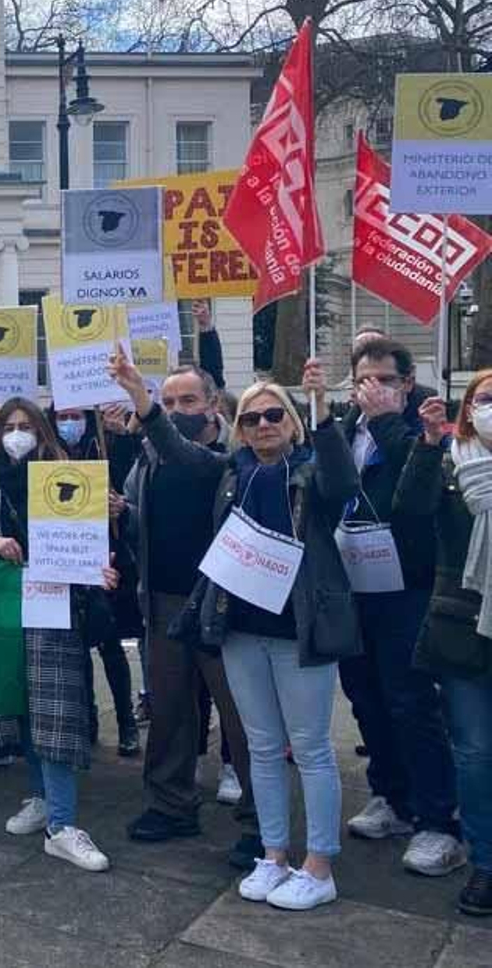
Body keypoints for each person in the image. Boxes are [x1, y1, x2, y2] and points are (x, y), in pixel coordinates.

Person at [157, 357, 360, 911]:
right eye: (251, 418)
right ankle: (273, 855)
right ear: (238, 429)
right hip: (241, 630)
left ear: (292, 423)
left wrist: (323, 413)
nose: (264, 425)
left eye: (275, 415)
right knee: (262, 746)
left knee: (311, 748)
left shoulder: (311, 472)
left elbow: (344, 483)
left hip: (300, 631)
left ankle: (319, 865)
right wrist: (141, 400)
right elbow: (179, 450)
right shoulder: (230, 473)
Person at [111, 355, 262, 870]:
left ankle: (261, 822)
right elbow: (143, 521)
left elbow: (187, 457)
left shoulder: (236, 455)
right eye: (170, 401)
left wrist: (142, 401)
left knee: (242, 717)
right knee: (170, 710)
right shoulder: (149, 458)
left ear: (213, 404)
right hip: (165, 600)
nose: (177, 410)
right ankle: (171, 803)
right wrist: (123, 514)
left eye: (188, 401)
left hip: (223, 603)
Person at [0, 397, 116, 872]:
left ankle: (62, 825)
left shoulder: (63, 474)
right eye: (9, 426)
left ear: (41, 432)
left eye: (26, 426)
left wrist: (99, 568)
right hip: (5, 609)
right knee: (24, 707)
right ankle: (41, 797)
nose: (17, 434)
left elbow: (90, 541)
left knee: (55, 709)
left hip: (54, 607)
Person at [335, 337, 465, 877]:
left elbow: (417, 497)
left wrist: (388, 419)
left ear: (407, 383)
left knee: (410, 700)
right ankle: (390, 794)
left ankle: (438, 818)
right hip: (354, 581)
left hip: (407, 585)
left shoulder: (421, 429)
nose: (373, 390)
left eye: (385, 380)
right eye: (363, 380)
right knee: (364, 695)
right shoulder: (347, 427)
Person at [394, 378, 492, 916]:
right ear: (467, 410)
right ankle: (486, 862)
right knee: (474, 753)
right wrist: (428, 446)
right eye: (484, 399)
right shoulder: (454, 460)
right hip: (463, 628)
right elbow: (410, 510)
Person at [52, 404, 141, 759]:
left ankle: (126, 722)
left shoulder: (105, 445)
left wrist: (119, 505)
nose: (69, 423)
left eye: (76, 417)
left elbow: (129, 488)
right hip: (63, 556)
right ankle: (87, 716)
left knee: (109, 643)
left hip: (107, 557)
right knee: (77, 643)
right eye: (62, 417)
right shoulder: (47, 454)